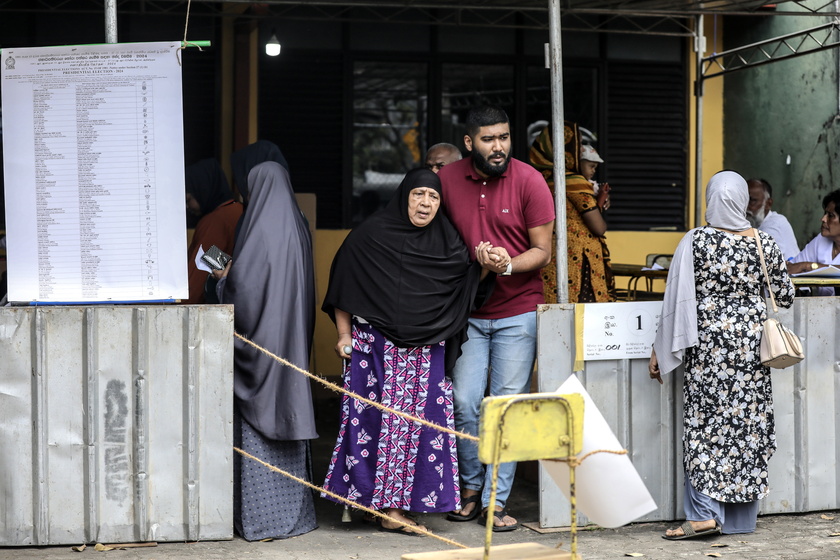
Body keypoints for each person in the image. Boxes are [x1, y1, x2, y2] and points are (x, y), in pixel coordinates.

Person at [321, 168, 495, 536]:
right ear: (404, 196)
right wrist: (342, 334)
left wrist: (481, 266)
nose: (426, 204)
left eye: (433, 198)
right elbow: (343, 284)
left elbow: (463, 286)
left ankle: (397, 507)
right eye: (419, 195)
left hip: (424, 353)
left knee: (420, 427)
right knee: (372, 425)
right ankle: (379, 507)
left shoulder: (447, 241)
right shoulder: (371, 234)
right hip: (374, 349)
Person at [649, 170, 795, 540]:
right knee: (747, 430)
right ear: (743, 201)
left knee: (704, 430)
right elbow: (787, 295)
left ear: (711, 199)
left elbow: (674, 300)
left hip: (707, 352)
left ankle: (702, 514)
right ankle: (740, 521)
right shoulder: (762, 242)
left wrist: (659, 347)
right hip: (750, 355)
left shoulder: (695, 241)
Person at [439, 105, 555, 531]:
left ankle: (495, 501)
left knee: (505, 407)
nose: (499, 146)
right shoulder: (447, 180)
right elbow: (432, 240)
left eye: (504, 137)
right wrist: (472, 258)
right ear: (470, 143)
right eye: (489, 139)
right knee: (464, 403)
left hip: (518, 308)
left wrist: (506, 264)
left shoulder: (529, 180)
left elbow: (543, 251)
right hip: (465, 311)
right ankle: (469, 490)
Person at [213, 161, 318, 541]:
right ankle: (295, 517)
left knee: (258, 429)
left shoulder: (259, 231)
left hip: (263, 352)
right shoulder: (297, 225)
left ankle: (261, 520)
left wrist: (224, 279)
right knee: (287, 413)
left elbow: (245, 292)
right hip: (290, 350)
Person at [529, 123, 614, 303]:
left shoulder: (540, 179)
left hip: (550, 256)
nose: (582, 149)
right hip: (578, 260)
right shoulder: (575, 182)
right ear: (565, 149)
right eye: (578, 143)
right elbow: (598, 227)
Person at [184, 159, 243, 304]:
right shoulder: (240, 210)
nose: (186, 207)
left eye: (188, 199)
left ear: (202, 190)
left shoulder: (216, 221)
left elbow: (197, 278)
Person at [787, 189, 840, 295]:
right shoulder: (821, 239)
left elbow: (802, 265)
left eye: (830, 215)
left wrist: (808, 266)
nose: (823, 219)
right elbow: (793, 267)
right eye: (825, 213)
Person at [746, 178, 800, 260]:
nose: (746, 207)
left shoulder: (773, 225)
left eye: (752, 201)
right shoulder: (756, 224)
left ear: (768, 203)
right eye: (743, 201)